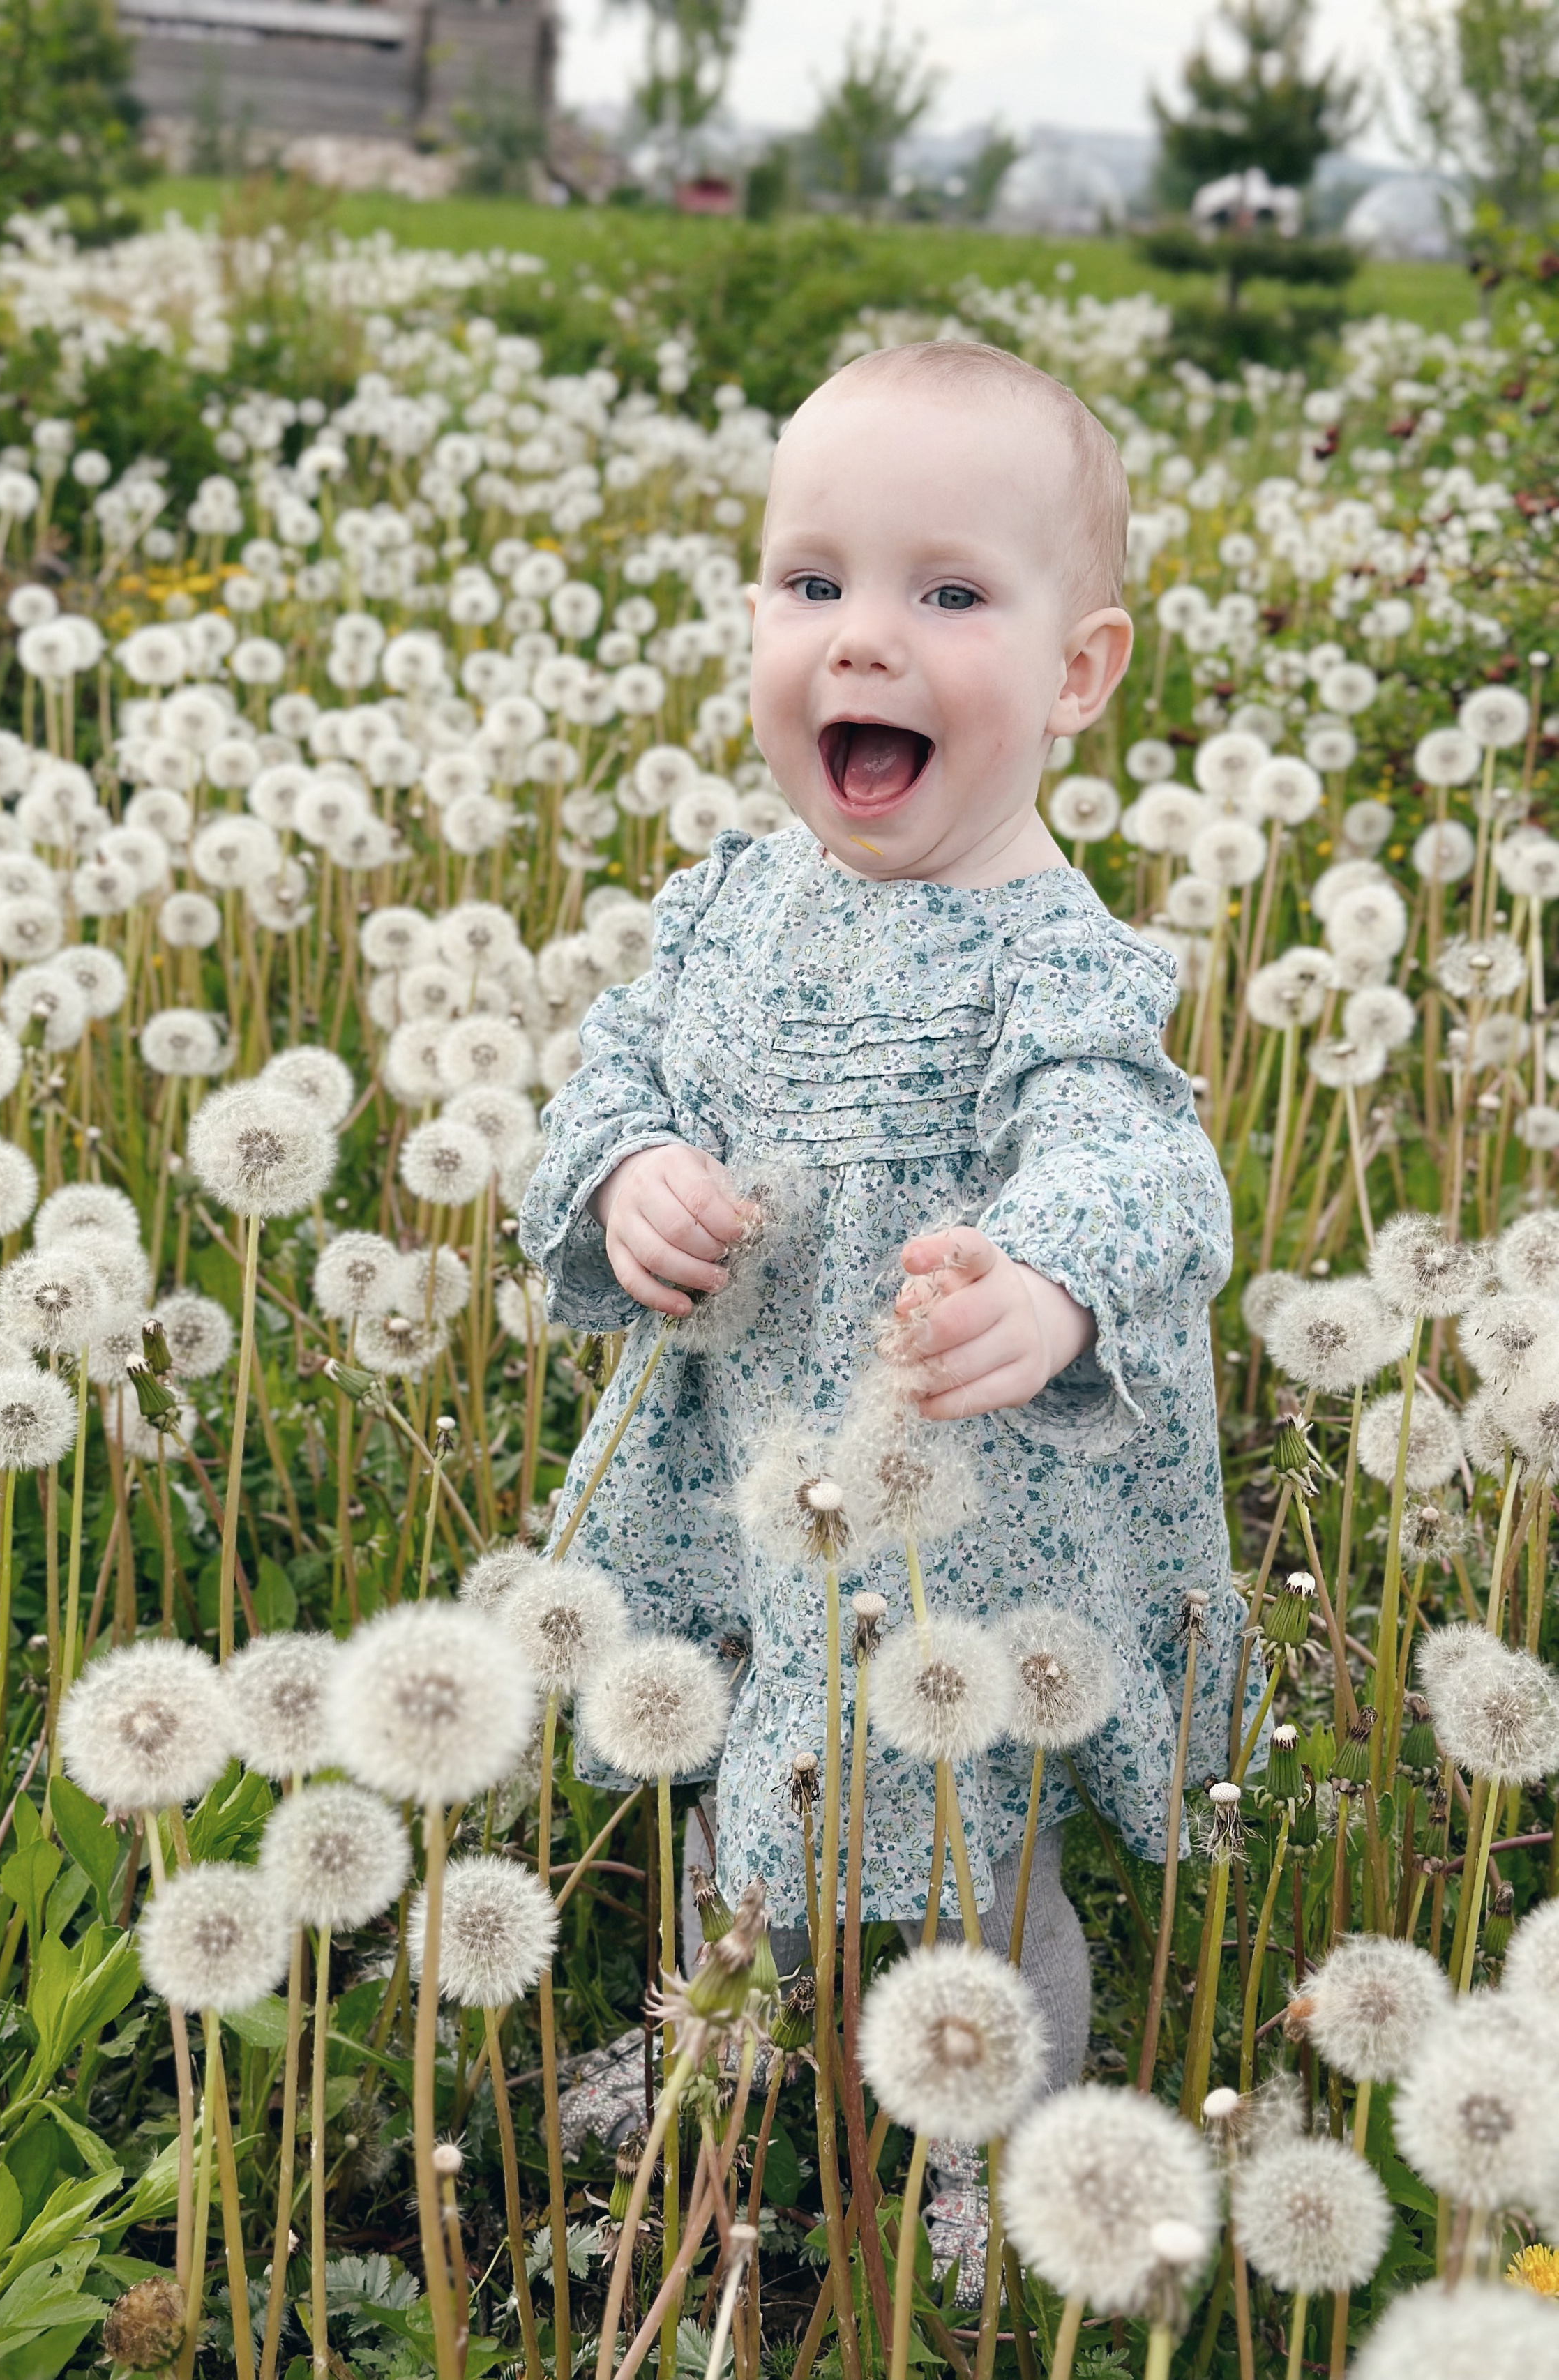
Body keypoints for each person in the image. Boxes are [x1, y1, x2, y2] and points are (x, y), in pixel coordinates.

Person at [519, 339, 1247, 2273]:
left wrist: (1053, 1286)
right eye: (813, 582)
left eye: (947, 595)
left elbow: (1148, 1161)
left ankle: (999, 2163)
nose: (861, 641)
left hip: (956, 1518)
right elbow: (612, 1082)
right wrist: (626, 1175)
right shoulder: (728, 908)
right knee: (733, 1752)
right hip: (740, 1466)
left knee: (970, 1849)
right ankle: (718, 2039)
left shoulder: (1059, 962)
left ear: (1079, 674)